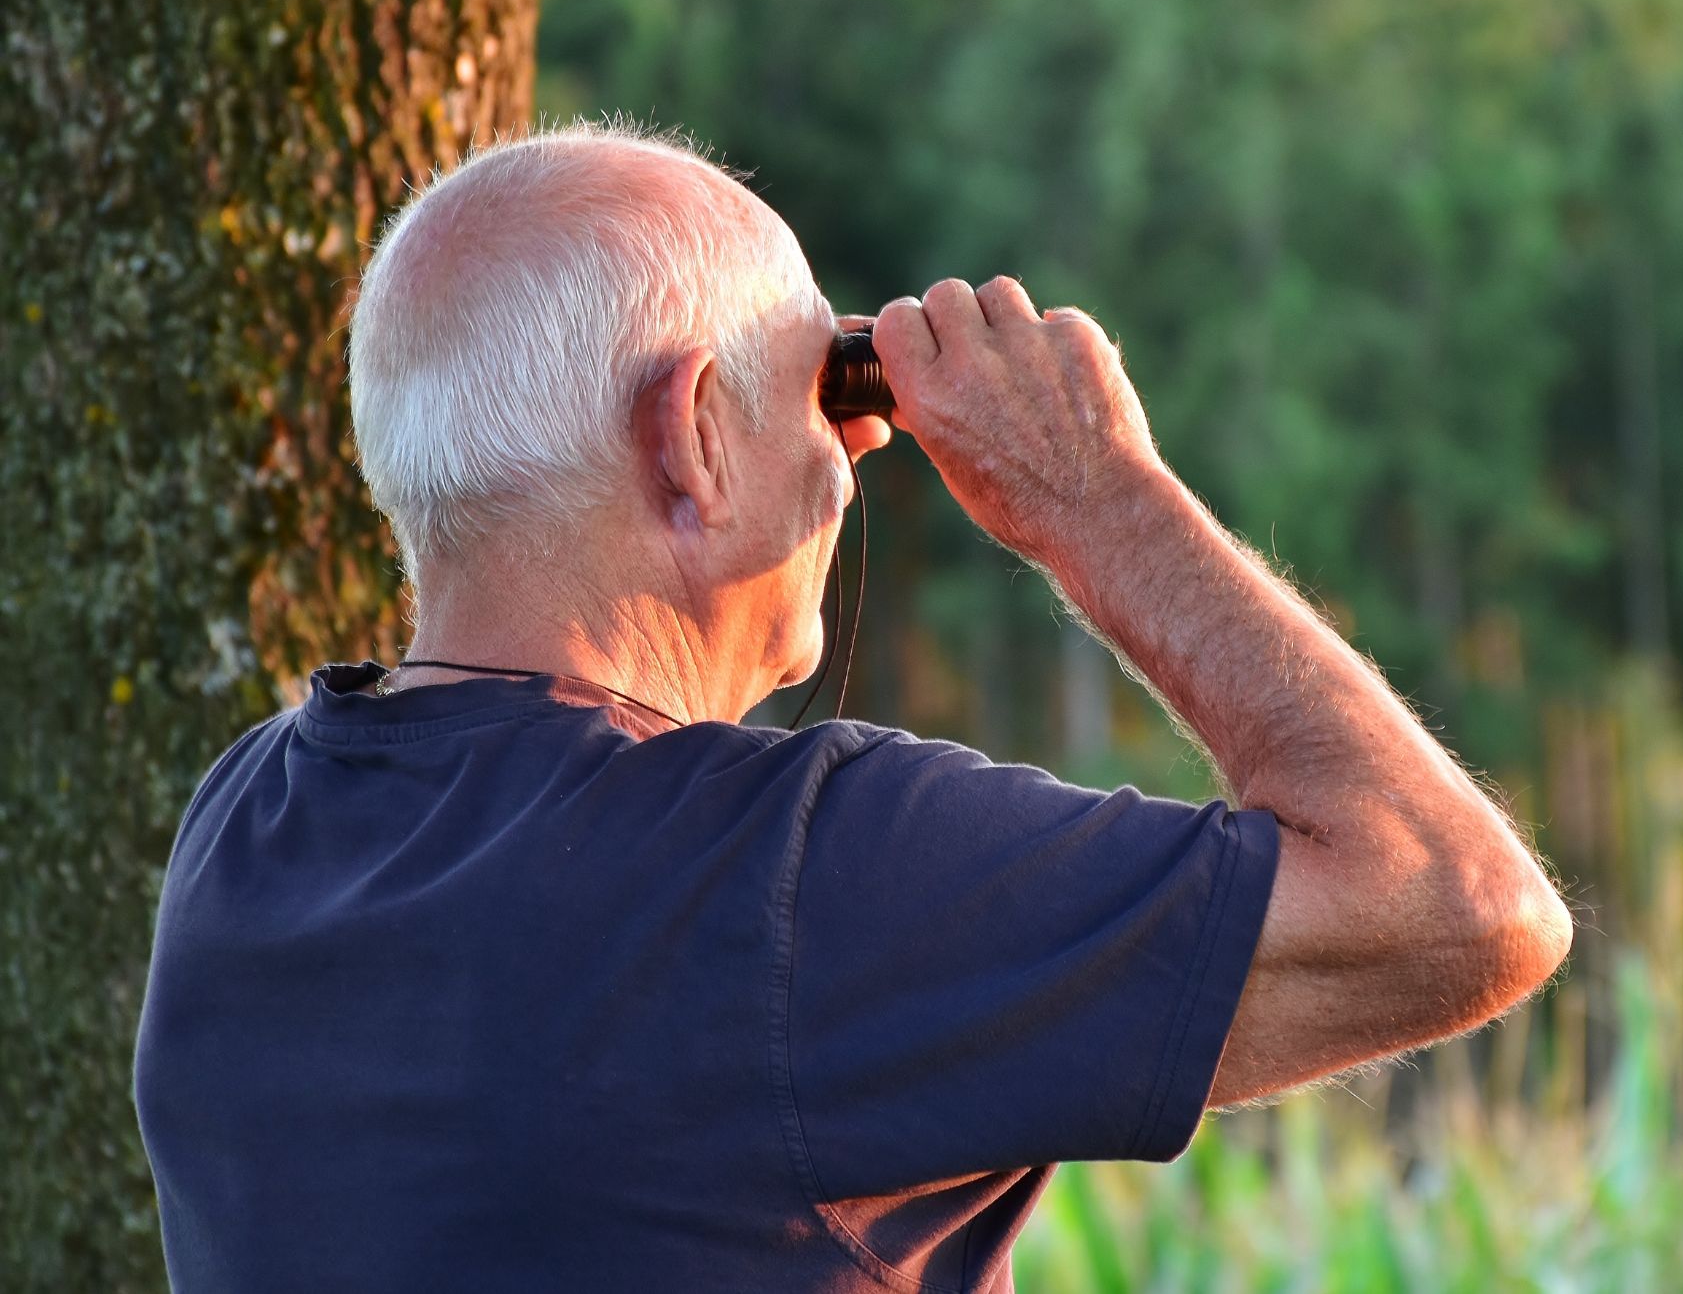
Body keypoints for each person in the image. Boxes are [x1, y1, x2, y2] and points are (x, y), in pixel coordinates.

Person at [133, 124, 1572, 1293]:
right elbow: (1456, 904)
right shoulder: (790, 880)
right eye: (821, 394)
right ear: (692, 437)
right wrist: (1097, 498)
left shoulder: (245, 838)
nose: (848, 464)